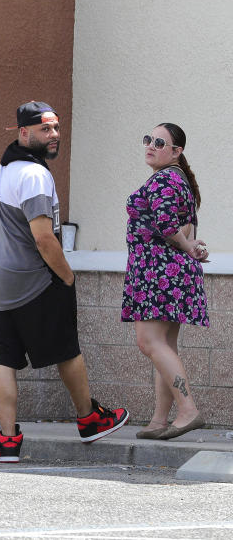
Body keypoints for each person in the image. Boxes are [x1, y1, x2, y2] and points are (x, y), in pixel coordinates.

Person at [0, 101, 129, 463]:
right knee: (67, 349)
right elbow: (44, 238)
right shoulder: (34, 175)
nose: (54, 135)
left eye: (57, 128)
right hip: (31, 276)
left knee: (6, 357)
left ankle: (9, 439)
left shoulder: (6, 169)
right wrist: (66, 275)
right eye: (45, 129)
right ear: (23, 132)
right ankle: (89, 419)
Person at [123, 123, 209, 440]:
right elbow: (186, 226)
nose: (151, 145)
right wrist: (190, 247)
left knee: (150, 342)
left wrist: (187, 247)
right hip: (170, 271)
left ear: (176, 152)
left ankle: (188, 410)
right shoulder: (177, 179)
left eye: (160, 142)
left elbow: (167, 224)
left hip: (157, 270)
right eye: (148, 139)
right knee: (165, 346)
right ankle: (160, 420)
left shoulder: (164, 179)